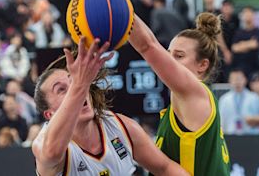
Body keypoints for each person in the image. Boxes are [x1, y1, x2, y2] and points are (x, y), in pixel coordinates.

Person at [86, 0, 230, 175]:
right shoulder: (181, 106)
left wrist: (111, 0)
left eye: (179, 56)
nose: (169, 59)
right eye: (169, 53)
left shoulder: (196, 92)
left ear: (202, 65)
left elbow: (148, 45)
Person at [32, 38, 189, 176]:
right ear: (49, 114)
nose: (74, 90)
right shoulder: (43, 145)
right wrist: (79, 84)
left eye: (72, 82)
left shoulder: (120, 127)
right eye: (61, 90)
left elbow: (165, 168)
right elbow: (52, 152)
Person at [219, 69, 254, 135]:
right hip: (229, 133)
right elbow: (221, 119)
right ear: (229, 81)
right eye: (234, 79)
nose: (237, 82)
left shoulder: (253, 97)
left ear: (245, 80)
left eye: (239, 79)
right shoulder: (224, 99)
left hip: (249, 134)